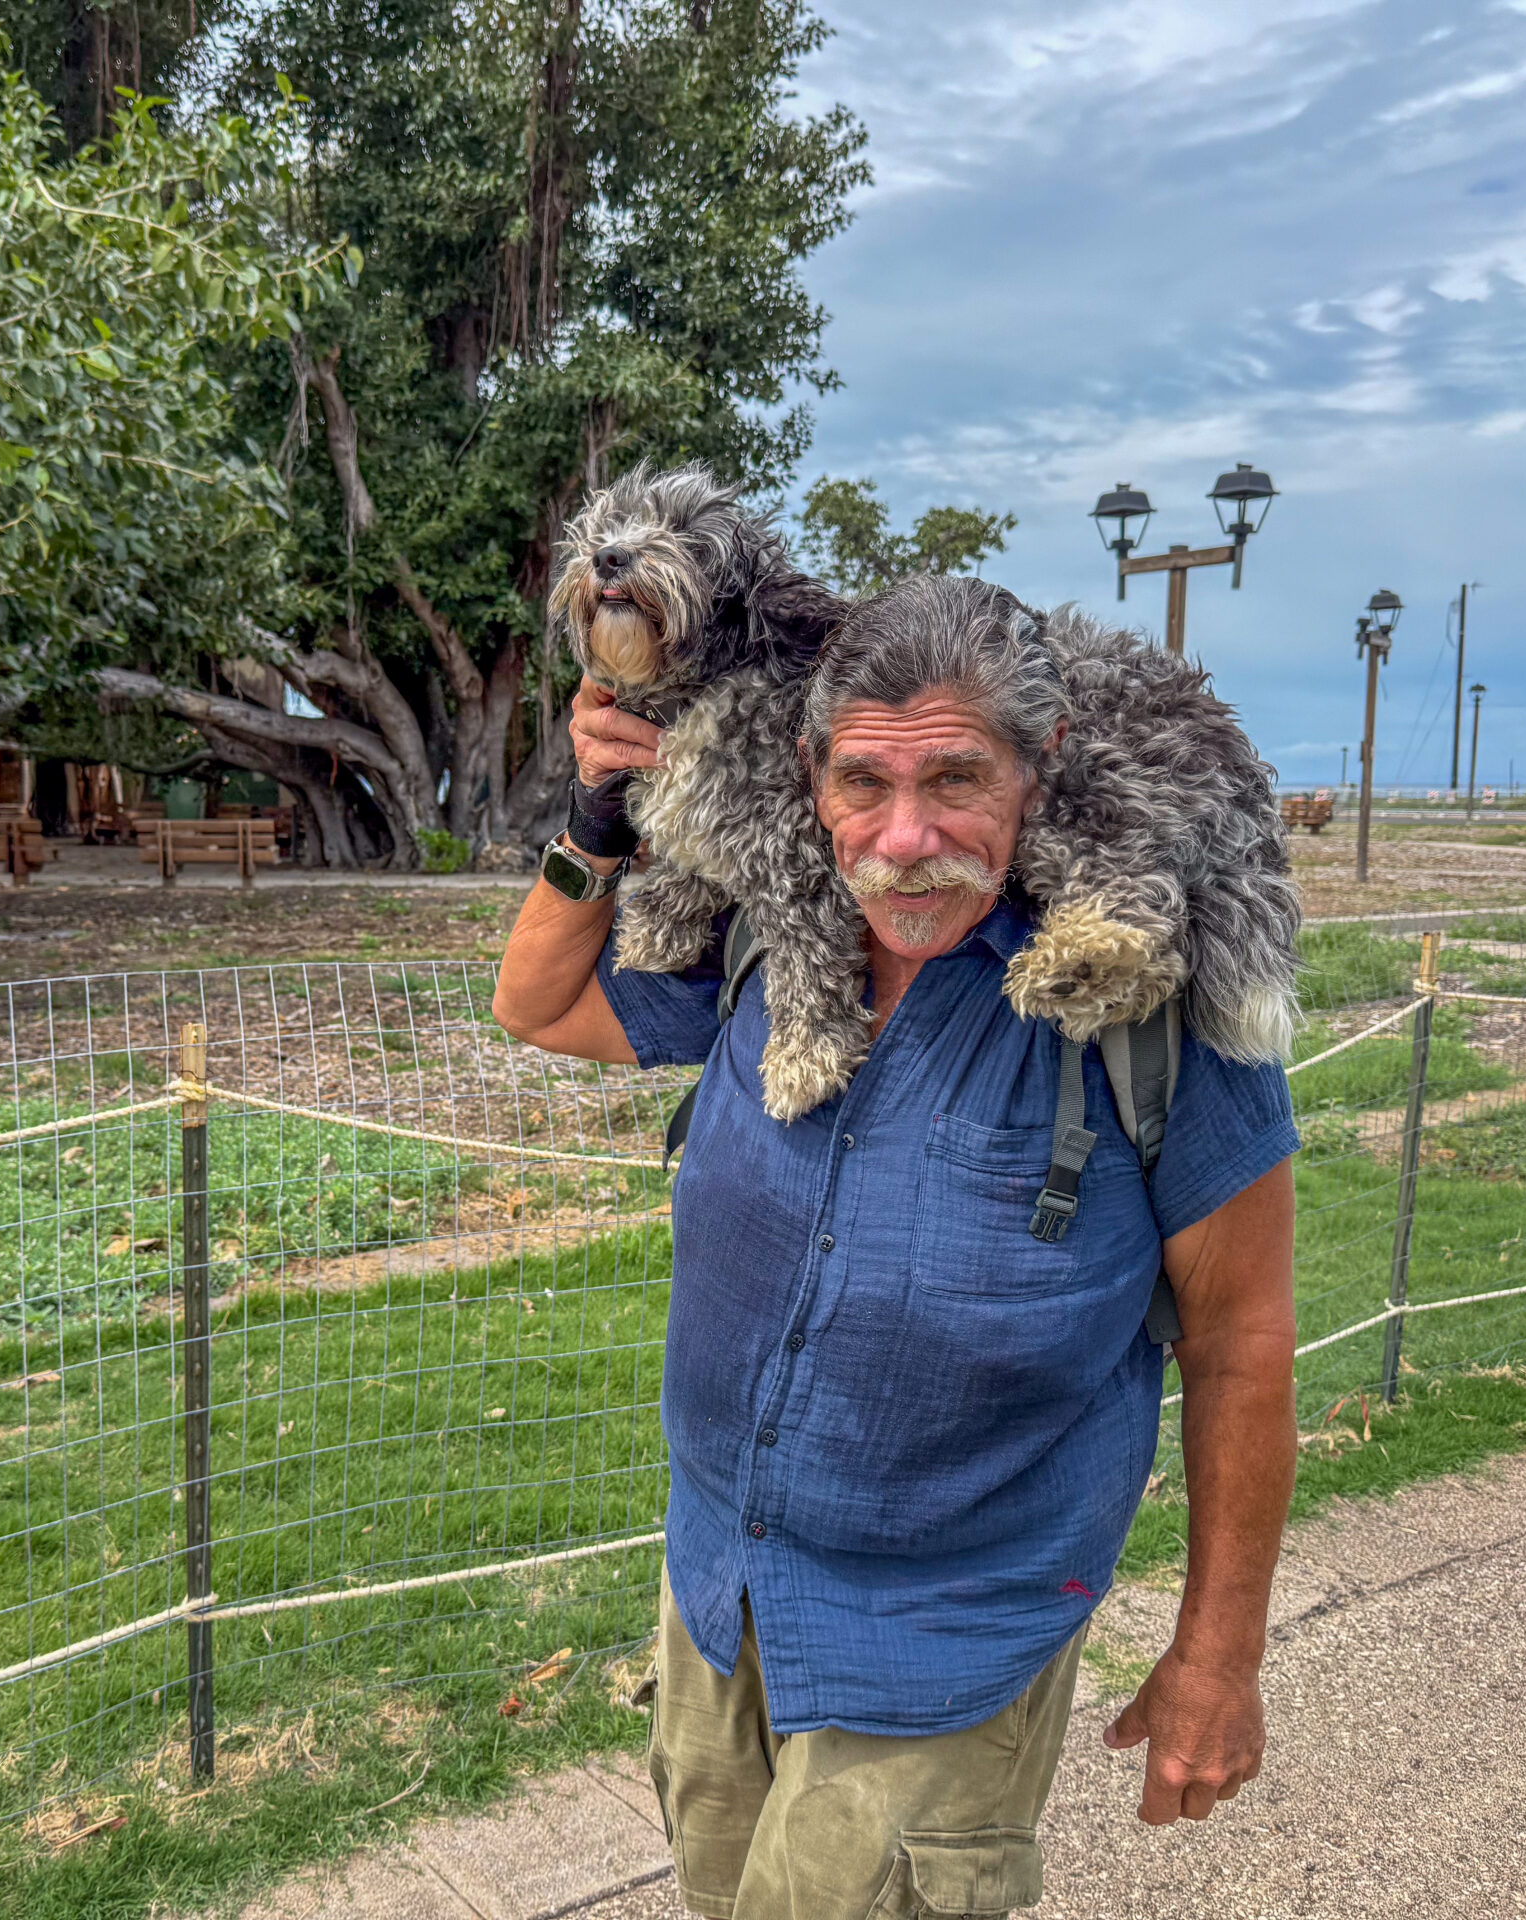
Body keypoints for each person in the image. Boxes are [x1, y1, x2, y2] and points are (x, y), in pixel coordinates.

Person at [491, 576, 1300, 1920]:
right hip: (723, 1590)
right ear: (808, 778)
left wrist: (1217, 1652)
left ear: (1038, 775)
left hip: (950, 1637)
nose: (905, 837)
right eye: (863, 781)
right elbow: (539, 1003)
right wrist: (595, 817)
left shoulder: (1140, 1000)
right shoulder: (769, 938)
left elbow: (1242, 1339)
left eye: (957, 780)